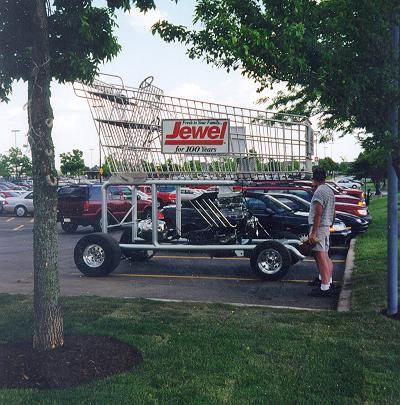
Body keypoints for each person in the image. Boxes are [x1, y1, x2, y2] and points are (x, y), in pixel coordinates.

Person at [307, 167, 336, 297]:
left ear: (314, 178)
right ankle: (328, 281)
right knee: (325, 256)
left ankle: (325, 288)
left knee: (320, 256)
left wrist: (313, 233)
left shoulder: (319, 192)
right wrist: (331, 223)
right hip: (326, 227)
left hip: (319, 227)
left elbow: (318, 214)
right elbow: (334, 211)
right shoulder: (329, 190)